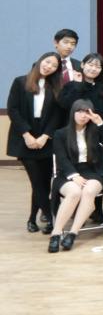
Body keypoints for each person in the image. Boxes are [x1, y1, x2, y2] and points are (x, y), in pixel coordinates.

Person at [6, 52, 64, 234]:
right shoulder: (20, 82)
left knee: (44, 183)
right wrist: (27, 135)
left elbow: (58, 115)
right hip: (25, 137)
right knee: (37, 182)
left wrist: (45, 136)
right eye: (47, 62)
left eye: (54, 66)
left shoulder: (55, 86)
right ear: (40, 61)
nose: (49, 67)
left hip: (45, 138)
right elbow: (13, 109)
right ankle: (51, 219)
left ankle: (32, 219)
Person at [48, 100, 103, 252]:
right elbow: (61, 158)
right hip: (68, 172)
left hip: (94, 172)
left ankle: (73, 233)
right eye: (79, 112)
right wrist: (74, 175)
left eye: (87, 112)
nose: (83, 116)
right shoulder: (61, 134)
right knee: (74, 193)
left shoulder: (95, 131)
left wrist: (100, 122)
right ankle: (56, 234)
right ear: (73, 113)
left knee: (89, 191)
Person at [58, 53, 103, 124]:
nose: (93, 69)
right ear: (82, 65)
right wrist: (77, 85)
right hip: (74, 127)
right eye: (91, 65)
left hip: (97, 128)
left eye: (98, 67)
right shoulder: (70, 85)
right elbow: (65, 105)